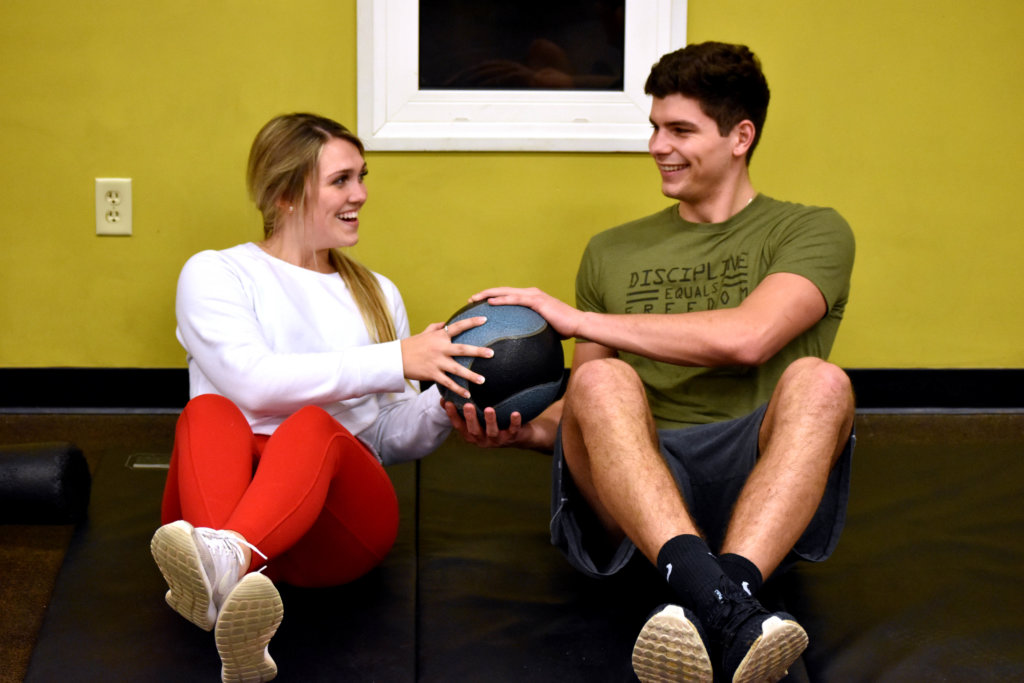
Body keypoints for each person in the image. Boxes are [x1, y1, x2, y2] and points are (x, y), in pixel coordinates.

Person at [444, 42, 856, 683]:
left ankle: (723, 593)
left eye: (681, 130)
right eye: (654, 127)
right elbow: (589, 407)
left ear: (740, 136)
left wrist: (579, 320)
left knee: (822, 381)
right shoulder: (611, 251)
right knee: (601, 376)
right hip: (640, 490)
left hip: (761, 487)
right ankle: (730, 609)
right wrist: (530, 431)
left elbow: (751, 337)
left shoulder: (811, 231)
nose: (658, 145)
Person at [150, 113, 492, 683]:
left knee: (309, 427)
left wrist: (445, 398)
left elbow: (386, 436)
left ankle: (223, 572)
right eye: (341, 180)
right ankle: (230, 590)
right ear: (284, 193)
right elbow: (252, 382)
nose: (360, 194)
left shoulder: (377, 292)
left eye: (362, 176)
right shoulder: (216, 274)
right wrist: (394, 358)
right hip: (221, 503)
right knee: (208, 411)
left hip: (331, 529)